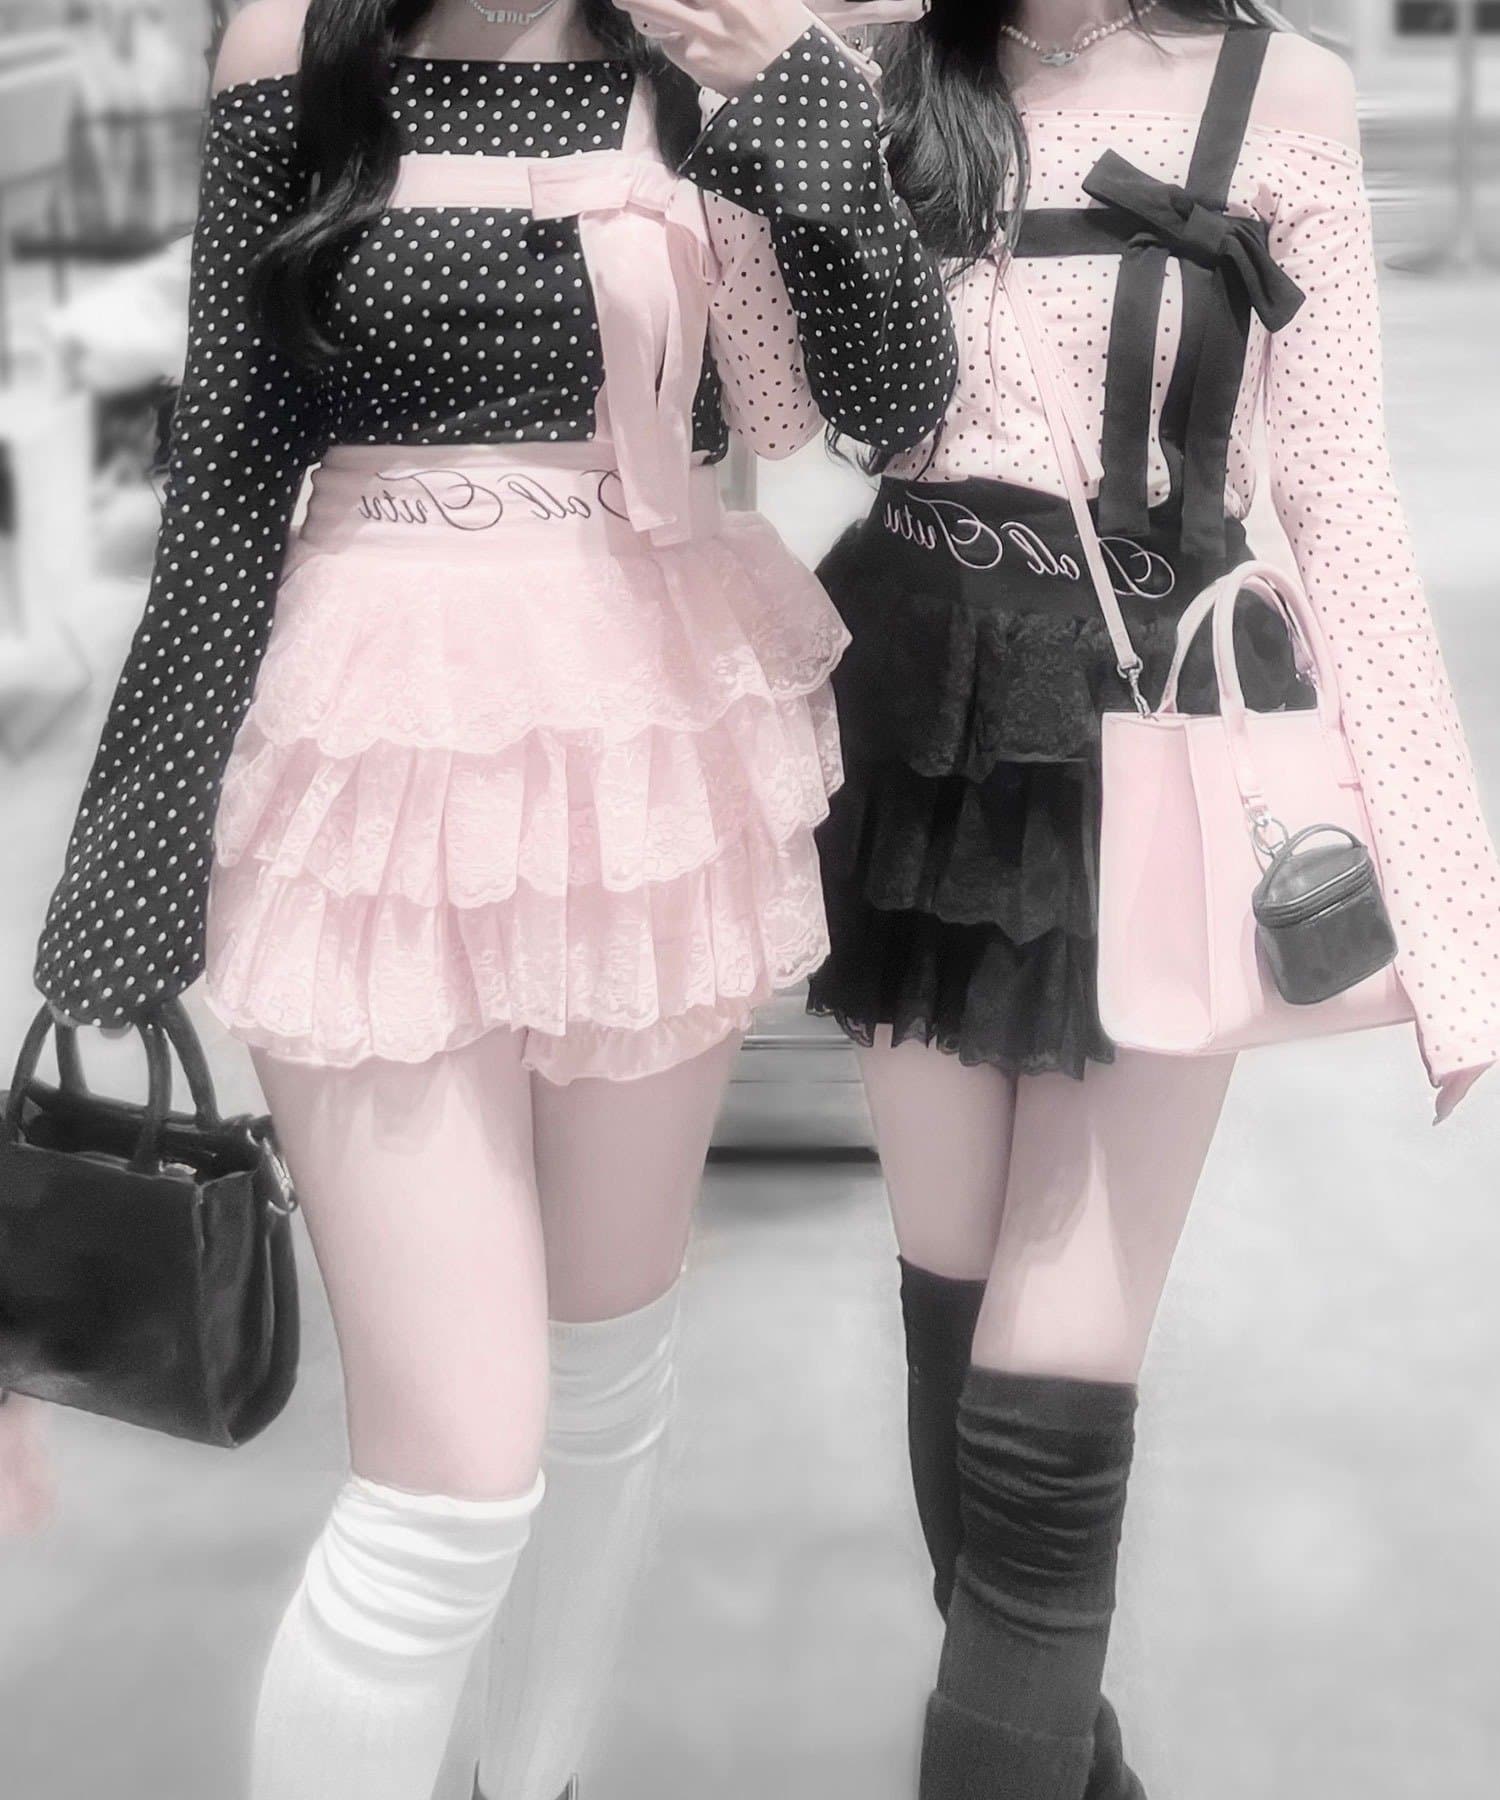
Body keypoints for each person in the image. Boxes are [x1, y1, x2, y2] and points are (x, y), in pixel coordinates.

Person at [30, 1, 956, 1795]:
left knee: (607, 1389)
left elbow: (894, 404)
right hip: (369, 748)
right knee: (448, 1487)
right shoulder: (295, 44)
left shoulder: (709, 40)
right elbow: (228, 470)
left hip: (647, 746)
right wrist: (130, 858)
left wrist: (804, 95)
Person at [806, 4, 1500, 1797]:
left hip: (1165, 730)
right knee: (958, 1337)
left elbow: (1339, 497)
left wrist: (1450, 903)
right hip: (918, 721)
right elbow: (785, 400)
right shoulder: (884, 78)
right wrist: (776, 106)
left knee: (1052, 1375)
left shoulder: (1287, 96)